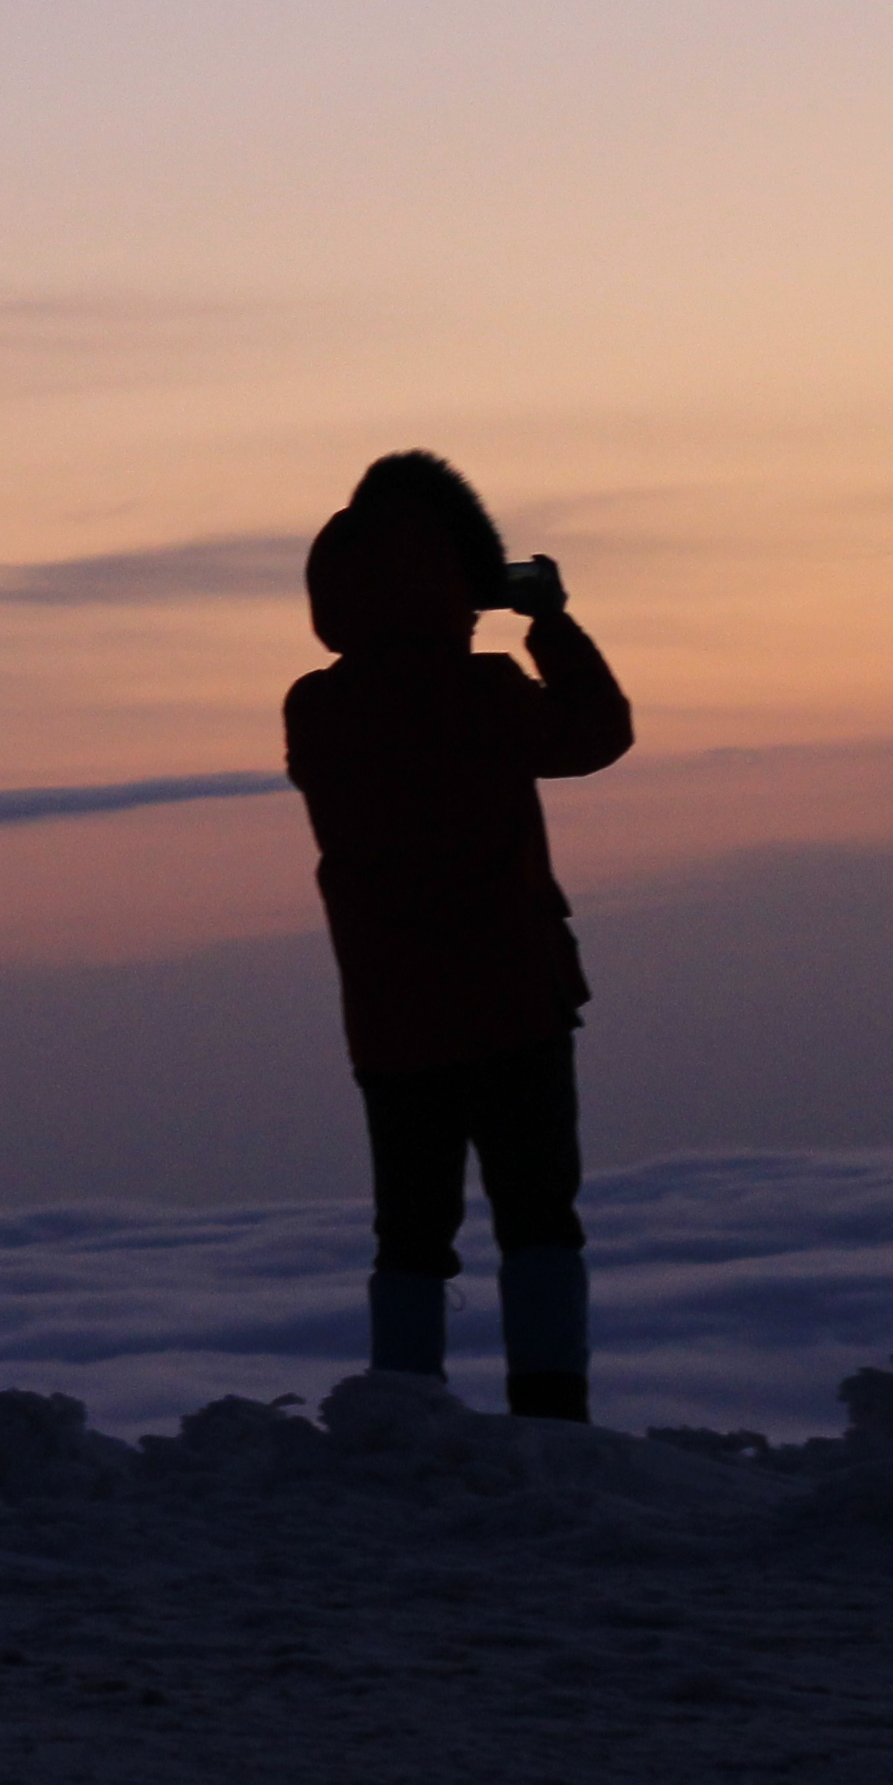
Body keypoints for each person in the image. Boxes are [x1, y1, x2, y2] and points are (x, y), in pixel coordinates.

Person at [284, 450, 633, 1420]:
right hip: (513, 1002)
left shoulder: (316, 708)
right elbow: (597, 734)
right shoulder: (487, 694)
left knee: (409, 1230)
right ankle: (552, 1413)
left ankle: (404, 1408)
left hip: (390, 1017)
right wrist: (549, 621)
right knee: (538, 1219)